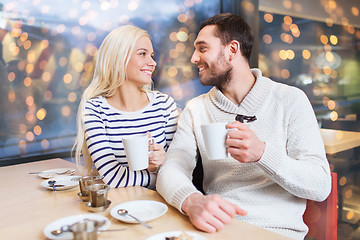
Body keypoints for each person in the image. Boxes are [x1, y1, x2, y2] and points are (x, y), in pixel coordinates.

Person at [156, 13, 331, 240]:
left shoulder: (290, 100)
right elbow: (171, 169)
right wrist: (192, 201)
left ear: (232, 49)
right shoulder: (197, 109)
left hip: (276, 233)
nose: (193, 58)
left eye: (202, 48)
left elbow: (320, 185)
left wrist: (262, 154)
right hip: (217, 230)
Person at [74, 25, 178, 190]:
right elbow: (112, 178)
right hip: (121, 206)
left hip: (161, 206)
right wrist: (156, 175)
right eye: (142, 54)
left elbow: (179, 170)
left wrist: (160, 163)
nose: (152, 62)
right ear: (118, 58)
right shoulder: (95, 109)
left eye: (151, 55)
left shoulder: (164, 105)